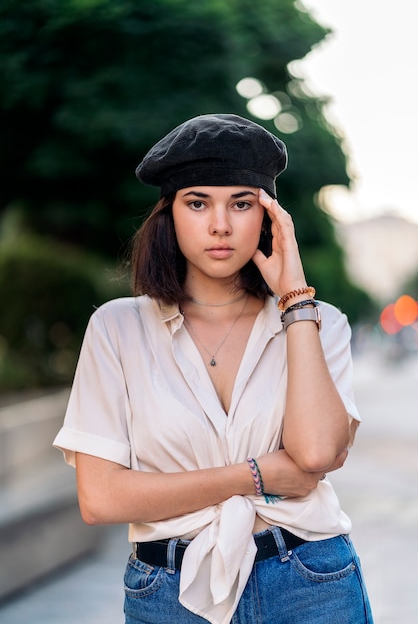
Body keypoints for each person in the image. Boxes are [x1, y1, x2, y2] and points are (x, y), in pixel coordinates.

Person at [53, 114, 373, 624]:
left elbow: (316, 452)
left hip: (310, 582)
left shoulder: (318, 323)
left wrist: (294, 299)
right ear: (170, 214)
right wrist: (255, 474)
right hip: (168, 590)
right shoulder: (118, 329)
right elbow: (101, 498)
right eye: (197, 202)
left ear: (269, 218)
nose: (220, 225)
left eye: (241, 203)